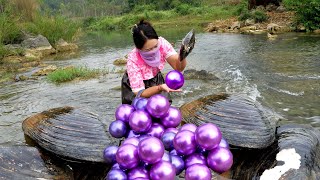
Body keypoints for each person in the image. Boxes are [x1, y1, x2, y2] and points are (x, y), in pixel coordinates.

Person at [121, 20, 187, 104]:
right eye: (148, 50)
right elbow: (139, 92)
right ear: (139, 48)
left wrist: (183, 55)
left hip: (155, 77)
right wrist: (159, 88)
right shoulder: (133, 59)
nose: (154, 51)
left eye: (155, 46)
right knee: (138, 110)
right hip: (136, 85)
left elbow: (178, 67)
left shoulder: (162, 43)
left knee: (163, 105)